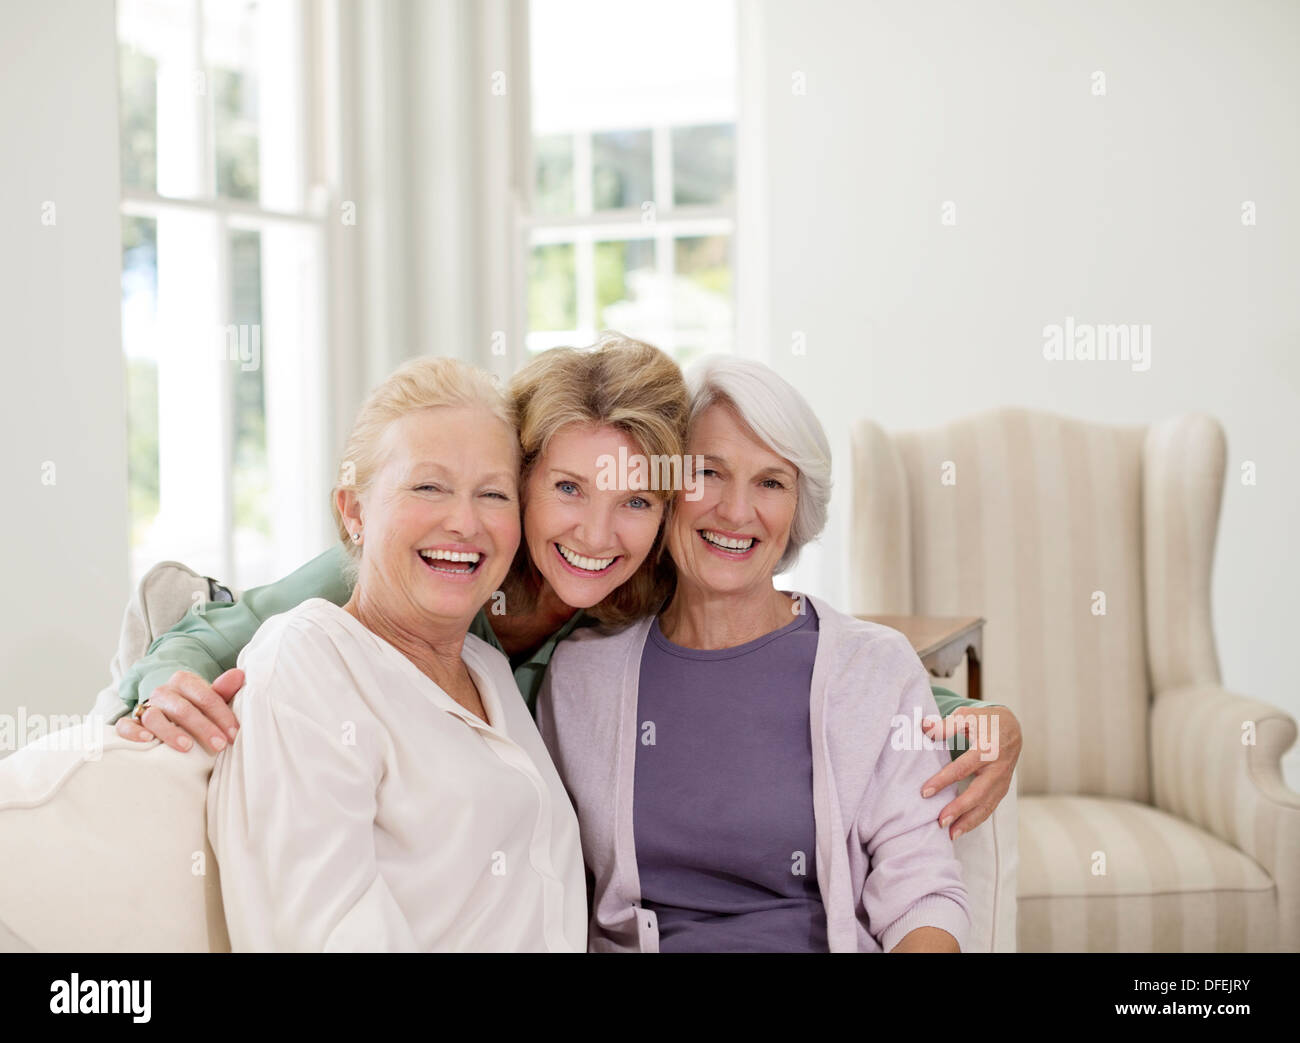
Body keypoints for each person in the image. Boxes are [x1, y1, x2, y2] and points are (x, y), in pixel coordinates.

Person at [113, 335, 1020, 845]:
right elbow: (221, 636)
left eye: (635, 500)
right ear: (522, 477)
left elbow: (802, 655)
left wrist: (960, 708)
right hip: (359, 705)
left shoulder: (655, 580)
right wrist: (160, 682)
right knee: (186, 615)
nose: (596, 536)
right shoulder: (430, 555)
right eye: (569, 491)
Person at [537, 356, 973, 952]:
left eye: (771, 482)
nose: (737, 512)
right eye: (708, 474)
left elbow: (922, 893)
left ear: (798, 508)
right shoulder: (582, 676)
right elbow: (548, 886)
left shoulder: (871, 668)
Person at [206, 356, 586, 950]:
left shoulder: (485, 669)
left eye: (493, 493)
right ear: (354, 511)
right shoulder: (308, 660)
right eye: (428, 487)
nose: (464, 521)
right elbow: (323, 929)